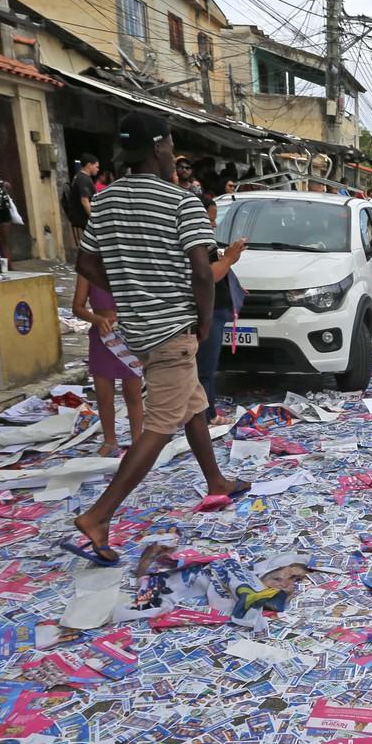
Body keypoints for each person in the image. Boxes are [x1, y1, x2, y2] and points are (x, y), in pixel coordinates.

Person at [69, 113, 247, 566]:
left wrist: (130, 286)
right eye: (170, 144)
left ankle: (216, 481)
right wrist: (205, 322)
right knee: (159, 427)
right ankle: (98, 515)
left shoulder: (105, 203)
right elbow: (203, 272)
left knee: (193, 403)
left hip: (140, 329)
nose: (174, 153)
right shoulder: (181, 202)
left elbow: (85, 263)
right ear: (158, 148)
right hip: (173, 328)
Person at [72, 275, 142, 456]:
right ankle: (110, 441)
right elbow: (77, 308)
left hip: (130, 336)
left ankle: (138, 442)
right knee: (104, 396)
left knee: (133, 394)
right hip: (102, 338)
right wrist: (97, 319)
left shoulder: (130, 264)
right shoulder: (88, 271)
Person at [196, 236, 247, 425]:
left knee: (206, 370)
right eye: (210, 219)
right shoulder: (194, 243)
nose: (212, 225)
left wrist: (229, 258)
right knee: (205, 371)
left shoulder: (204, 243)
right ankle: (206, 416)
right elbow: (208, 276)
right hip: (210, 312)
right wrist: (228, 258)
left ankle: (206, 414)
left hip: (216, 312)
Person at [65, 154, 99, 247]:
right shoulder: (83, 179)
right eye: (96, 166)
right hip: (83, 219)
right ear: (89, 165)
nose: (97, 169)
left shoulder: (79, 177)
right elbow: (84, 200)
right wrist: (93, 218)